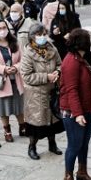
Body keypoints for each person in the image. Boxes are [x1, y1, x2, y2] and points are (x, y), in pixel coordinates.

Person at [58, 29, 91, 180]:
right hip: (73, 111)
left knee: (84, 143)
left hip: (87, 108)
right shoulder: (71, 62)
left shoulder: (83, 59)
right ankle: (68, 178)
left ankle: (82, 172)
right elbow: (71, 90)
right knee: (75, 145)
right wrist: (77, 114)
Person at [19, 23, 63, 160]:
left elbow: (60, 64)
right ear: (32, 37)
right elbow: (26, 76)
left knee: (52, 120)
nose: (42, 37)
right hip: (36, 94)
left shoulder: (52, 48)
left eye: (44, 34)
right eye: (39, 35)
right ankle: (32, 147)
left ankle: (52, 144)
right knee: (36, 123)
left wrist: (58, 72)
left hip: (51, 91)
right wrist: (46, 77)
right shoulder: (28, 53)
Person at [0, 20, 26, 143]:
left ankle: (22, 126)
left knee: (19, 106)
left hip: (16, 80)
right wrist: (4, 69)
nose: (2, 30)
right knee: (4, 108)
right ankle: (7, 131)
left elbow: (23, 60)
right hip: (0, 82)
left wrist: (16, 67)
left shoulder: (15, 42)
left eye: (4, 27)